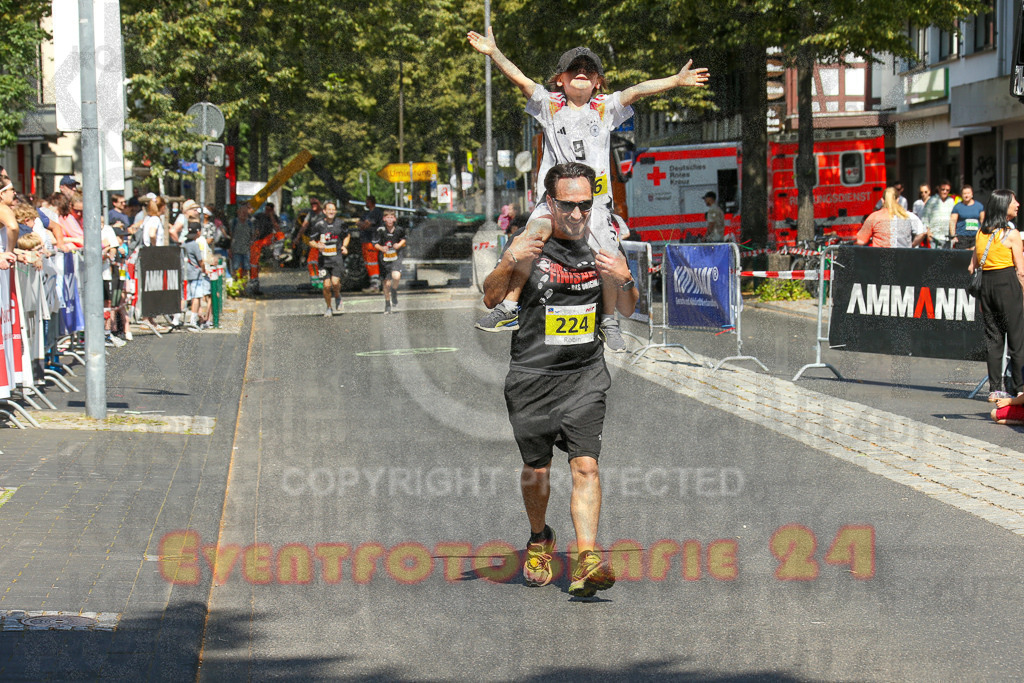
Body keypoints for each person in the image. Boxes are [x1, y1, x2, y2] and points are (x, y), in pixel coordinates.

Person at [467, 29, 707, 349]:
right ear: (560, 80)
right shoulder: (549, 105)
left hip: (594, 202)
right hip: (554, 200)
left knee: (607, 258)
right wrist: (494, 53)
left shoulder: (605, 108)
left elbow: (636, 90)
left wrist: (674, 82)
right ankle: (510, 307)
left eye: (589, 70)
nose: (582, 73)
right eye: (574, 69)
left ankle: (608, 319)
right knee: (527, 240)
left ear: (597, 82)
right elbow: (521, 80)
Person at [483, 163, 637, 598]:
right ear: (550, 202)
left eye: (585, 204)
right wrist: (512, 259)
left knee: (586, 464)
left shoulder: (602, 244)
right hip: (532, 376)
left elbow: (627, 307)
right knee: (537, 469)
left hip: (585, 374)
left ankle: (587, 559)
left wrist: (626, 279)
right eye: (568, 204)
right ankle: (539, 539)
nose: (576, 213)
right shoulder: (531, 242)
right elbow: (492, 296)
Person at [968, 189, 1024, 402]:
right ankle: (1020, 390)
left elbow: (971, 266)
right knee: (1017, 340)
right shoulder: (1012, 234)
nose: (1017, 204)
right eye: (1013, 201)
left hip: (988, 287)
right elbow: (1021, 270)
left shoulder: (981, 233)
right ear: (1003, 206)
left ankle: (995, 389)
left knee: (994, 339)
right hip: (1007, 285)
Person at [309, 201, 350, 317]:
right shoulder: (319, 225)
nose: (331, 212)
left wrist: (344, 246)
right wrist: (317, 245)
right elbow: (311, 241)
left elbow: (347, 235)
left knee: (335, 283)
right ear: (324, 211)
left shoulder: (341, 224)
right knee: (326, 285)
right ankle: (329, 307)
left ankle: (337, 296)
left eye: (333, 210)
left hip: (336, 258)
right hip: (323, 260)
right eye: (329, 210)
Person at [854, 187, 928, 248]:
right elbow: (922, 232)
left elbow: (861, 241)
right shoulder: (908, 216)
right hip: (904, 259)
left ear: (882, 200)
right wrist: (912, 245)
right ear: (898, 199)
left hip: (881, 260)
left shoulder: (874, 217)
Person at [374, 209, 406, 314]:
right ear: (384, 219)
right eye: (387, 217)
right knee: (386, 283)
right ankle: (387, 304)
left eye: (392, 217)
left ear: (395, 219)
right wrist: (382, 248)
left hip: (396, 257)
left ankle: (394, 290)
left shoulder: (399, 229)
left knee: (396, 276)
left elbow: (404, 239)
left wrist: (399, 245)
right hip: (384, 259)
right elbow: (375, 243)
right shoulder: (380, 230)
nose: (390, 219)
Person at [357, 195, 383, 289]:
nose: (366, 203)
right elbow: (359, 223)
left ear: (371, 202)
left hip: (372, 240)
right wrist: (361, 224)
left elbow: (365, 225)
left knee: (373, 262)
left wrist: (362, 224)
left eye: (367, 201)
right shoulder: (366, 213)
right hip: (365, 240)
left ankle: (376, 283)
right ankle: (373, 282)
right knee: (368, 262)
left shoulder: (376, 212)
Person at [949, 184, 984, 251]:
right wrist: (953, 236)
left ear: (972, 194)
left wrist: (983, 235)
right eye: (964, 193)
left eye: (968, 193)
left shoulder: (979, 206)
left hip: (975, 236)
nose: (966, 195)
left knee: (974, 257)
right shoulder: (957, 207)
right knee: (964, 257)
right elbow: (952, 221)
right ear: (961, 195)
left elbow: (982, 221)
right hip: (962, 236)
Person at [923, 180, 956, 248]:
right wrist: (928, 231)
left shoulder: (951, 201)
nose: (945, 192)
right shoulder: (932, 200)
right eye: (943, 189)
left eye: (947, 190)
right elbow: (925, 217)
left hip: (947, 237)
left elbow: (953, 217)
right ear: (938, 189)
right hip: (934, 236)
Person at [227, 202, 254, 280]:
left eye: (245, 213)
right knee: (235, 269)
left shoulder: (250, 223)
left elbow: (253, 235)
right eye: (242, 212)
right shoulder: (233, 222)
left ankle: (244, 287)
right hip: (236, 250)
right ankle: (236, 286)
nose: (244, 214)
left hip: (246, 250)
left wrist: (251, 242)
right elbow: (231, 235)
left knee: (246, 269)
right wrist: (230, 248)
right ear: (238, 212)